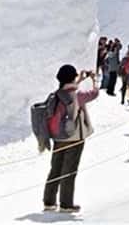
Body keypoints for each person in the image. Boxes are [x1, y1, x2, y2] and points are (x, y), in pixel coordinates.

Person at [43, 64, 99, 213]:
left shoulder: (57, 94)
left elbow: (70, 91)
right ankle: (66, 204)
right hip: (74, 138)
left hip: (58, 137)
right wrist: (94, 79)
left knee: (55, 169)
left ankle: (49, 202)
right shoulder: (78, 95)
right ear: (72, 77)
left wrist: (79, 79)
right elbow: (94, 93)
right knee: (69, 170)